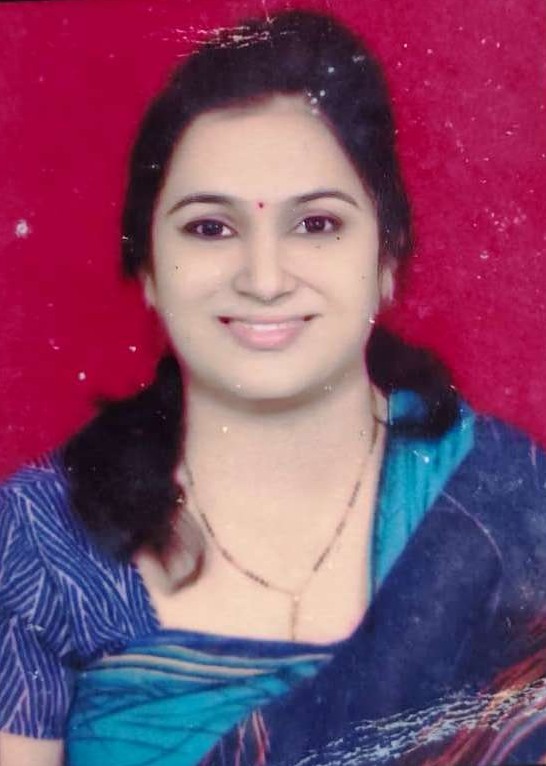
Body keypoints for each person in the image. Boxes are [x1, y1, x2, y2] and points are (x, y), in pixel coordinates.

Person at [0, 8, 545, 766]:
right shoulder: (42, 542)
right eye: (210, 228)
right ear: (148, 268)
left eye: (316, 224)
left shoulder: (509, 503)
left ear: (387, 258)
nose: (263, 279)